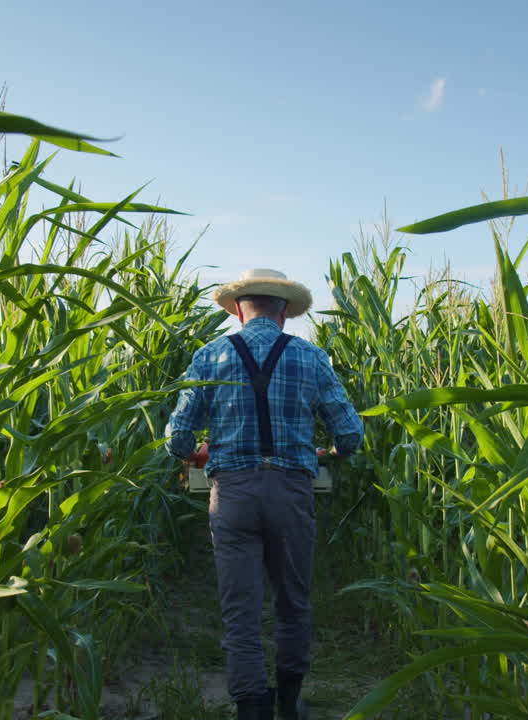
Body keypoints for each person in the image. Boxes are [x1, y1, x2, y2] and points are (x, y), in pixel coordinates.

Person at [165, 269, 364, 720]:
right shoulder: (310, 358)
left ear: (238, 310)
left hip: (232, 494)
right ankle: (290, 703)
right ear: (285, 314)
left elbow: (177, 438)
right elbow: (351, 434)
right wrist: (328, 453)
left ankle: (252, 709)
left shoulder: (210, 356)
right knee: (292, 602)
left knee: (241, 611)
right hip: (291, 492)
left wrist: (198, 453)